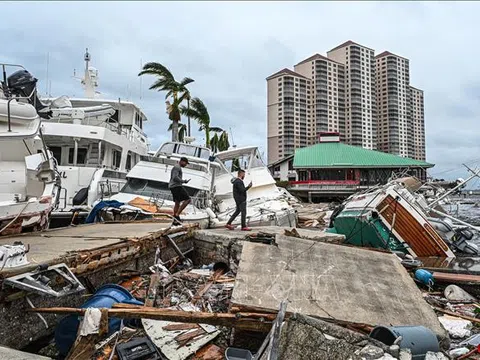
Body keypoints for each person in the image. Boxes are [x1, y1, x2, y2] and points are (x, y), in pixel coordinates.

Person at [169, 157, 191, 225]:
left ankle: (175, 220)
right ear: (182, 161)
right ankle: (177, 215)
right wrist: (183, 181)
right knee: (188, 199)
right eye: (185, 163)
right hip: (176, 186)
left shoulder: (177, 167)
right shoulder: (177, 167)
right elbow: (175, 177)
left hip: (173, 186)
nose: (186, 165)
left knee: (177, 202)